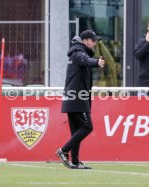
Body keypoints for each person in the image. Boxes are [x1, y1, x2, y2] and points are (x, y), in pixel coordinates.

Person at [56, 30, 105, 169]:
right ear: (85, 41)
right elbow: (87, 61)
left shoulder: (77, 52)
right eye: (93, 40)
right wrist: (97, 62)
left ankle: (75, 162)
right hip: (77, 98)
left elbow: (86, 60)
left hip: (73, 98)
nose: (95, 43)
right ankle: (63, 151)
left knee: (76, 131)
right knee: (87, 127)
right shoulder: (79, 53)